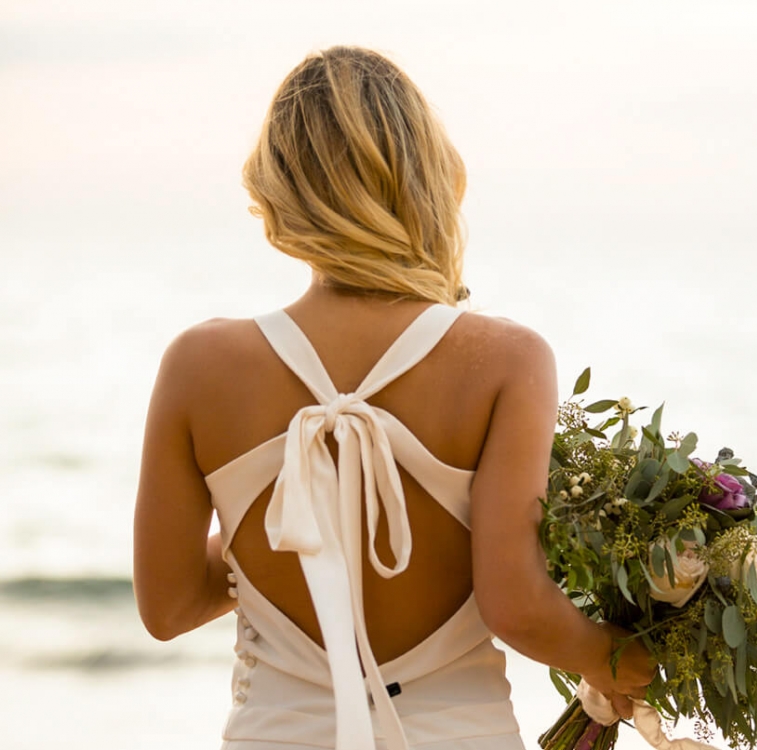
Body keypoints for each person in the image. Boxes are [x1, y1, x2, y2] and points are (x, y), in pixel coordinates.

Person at [132, 46, 654, 750]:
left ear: (280, 189)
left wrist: (287, 519)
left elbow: (165, 607)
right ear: (430, 177)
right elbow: (516, 605)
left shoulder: (199, 364)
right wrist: (626, 657)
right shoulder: (504, 360)